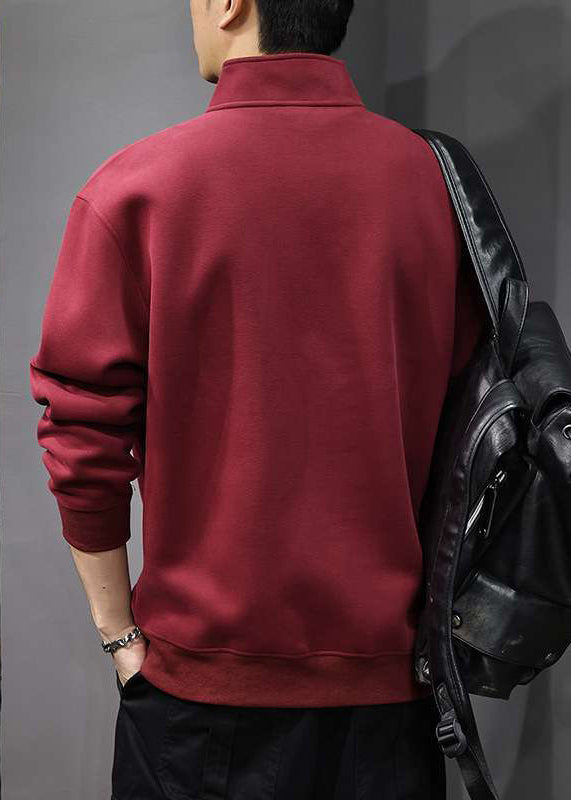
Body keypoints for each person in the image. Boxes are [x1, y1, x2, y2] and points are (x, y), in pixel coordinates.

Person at [29, 0, 489, 797]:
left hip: (199, 702)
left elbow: (82, 436)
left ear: (230, 3)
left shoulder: (138, 187)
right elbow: (466, 428)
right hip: (391, 702)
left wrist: (119, 637)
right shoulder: (432, 188)